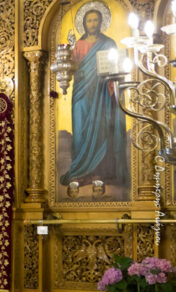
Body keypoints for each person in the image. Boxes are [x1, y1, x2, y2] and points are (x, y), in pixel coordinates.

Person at [59, 9, 128, 188]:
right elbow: (69, 67)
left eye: (96, 20)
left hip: (101, 94)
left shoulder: (109, 43)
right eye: (89, 20)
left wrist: (113, 81)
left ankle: (98, 172)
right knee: (80, 131)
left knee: (100, 130)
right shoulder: (78, 45)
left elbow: (116, 68)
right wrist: (69, 53)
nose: (92, 24)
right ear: (84, 23)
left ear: (101, 22)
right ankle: (79, 172)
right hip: (81, 93)